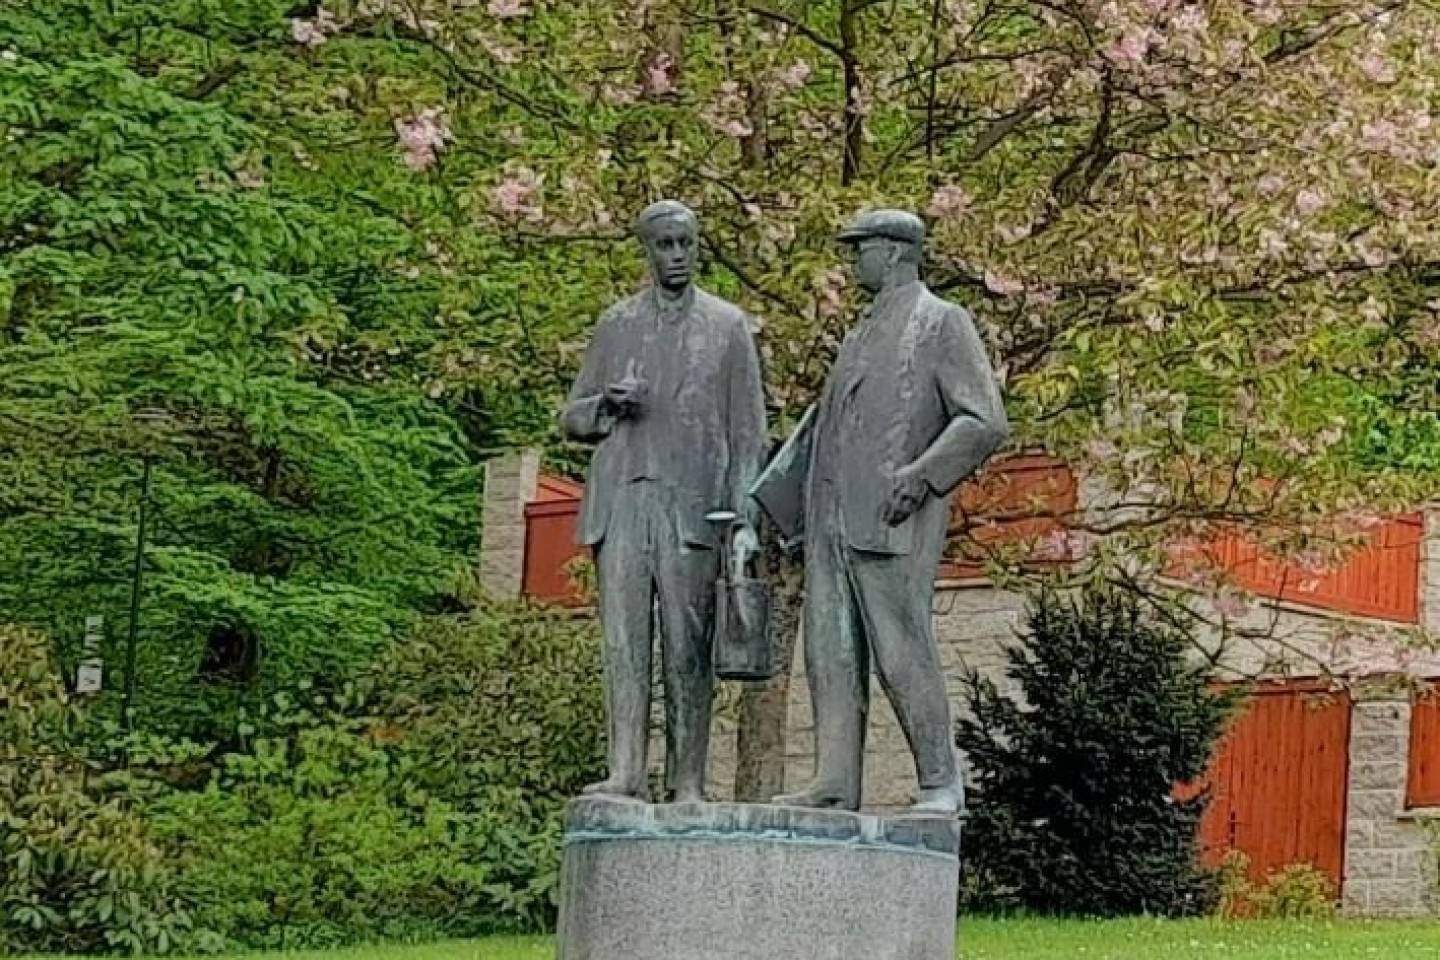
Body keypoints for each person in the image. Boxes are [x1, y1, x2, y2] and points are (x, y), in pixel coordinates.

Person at [765, 209, 1009, 814]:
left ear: (896, 251)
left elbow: (984, 420)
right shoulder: (860, 333)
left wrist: (922, 476)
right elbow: (827, 425)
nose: (855, 261)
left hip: (892, 518)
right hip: (830, 519)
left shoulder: (940, 322)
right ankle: (834, 781)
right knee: (829, 651)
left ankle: (939, 783)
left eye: (862, 248)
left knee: (901, 650)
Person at [562, 200, 767, 803]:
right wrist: (605, 404)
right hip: (622, 503)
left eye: (686, 243)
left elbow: (749, 434)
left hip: (694, 510)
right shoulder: (616, 324)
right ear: (647, 250)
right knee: (623, 644)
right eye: (665, 245)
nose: (677, 256)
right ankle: (625, 770)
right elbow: (572, 418)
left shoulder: (727, 326)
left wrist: (744, 520)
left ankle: (687, 782)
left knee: (687, 646)